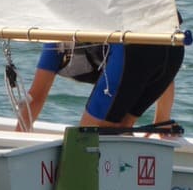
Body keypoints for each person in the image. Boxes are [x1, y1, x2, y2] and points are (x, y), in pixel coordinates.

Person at [14, 39, 181, 133]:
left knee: (87, 137)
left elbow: (36, 97)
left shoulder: (56, 41)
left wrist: (17, 143)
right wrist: (162, 121)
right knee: (122, 128)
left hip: (134, 52)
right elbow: (153, 71)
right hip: (172, 46)